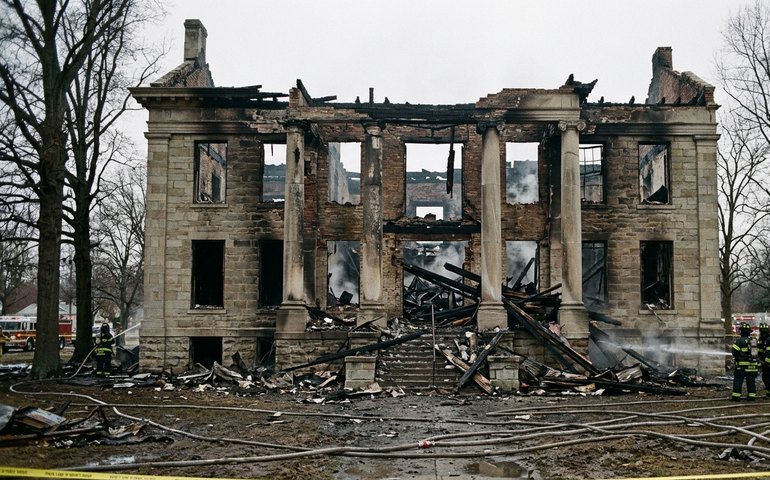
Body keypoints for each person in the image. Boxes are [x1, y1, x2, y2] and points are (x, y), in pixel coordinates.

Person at [731, 322, 758, 401]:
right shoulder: (753, 341)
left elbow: (734, 352)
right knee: (751, 381)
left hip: (741, 366)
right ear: (749, 332)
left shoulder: (738, 341)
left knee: (738, 381)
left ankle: (736, 397)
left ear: (741, 331)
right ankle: (751, 397)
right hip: (753, 366)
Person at [759, 322, 770, 398]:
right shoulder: (761, 340)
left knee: (767, 378)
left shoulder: (768, 340)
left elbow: (768, 353)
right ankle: (768, 393)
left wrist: (766, 363)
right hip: (764, 362)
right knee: (766, 378)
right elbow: (760, 351)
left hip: (767, 363)